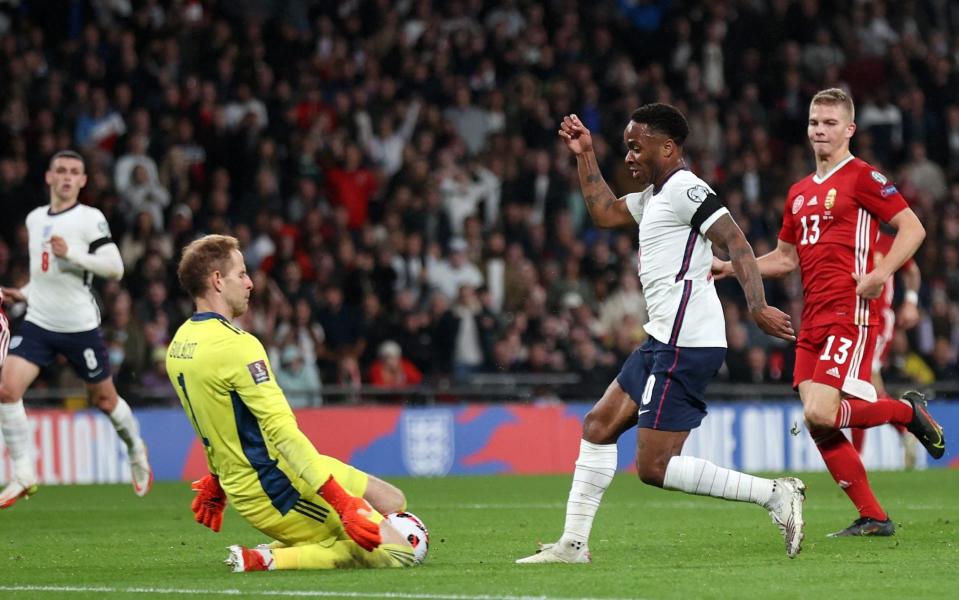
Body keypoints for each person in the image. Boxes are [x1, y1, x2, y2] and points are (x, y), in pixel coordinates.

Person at [517, 105, 804, 564]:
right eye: (626, 146)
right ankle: (572, 545)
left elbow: (736, 242)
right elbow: (605, 213)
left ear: (667, 147)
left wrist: (757, 306)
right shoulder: (655, 196)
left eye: (637, 146)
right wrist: (584, 154)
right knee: (597, 426)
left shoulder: (687, 189)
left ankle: (775, 493)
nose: (629, 156)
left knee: (653, 468)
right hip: (661, 339)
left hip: (687, 341)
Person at [714, 88, 945, 537]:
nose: (820, 129)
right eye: (815, 122)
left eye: (830, 123)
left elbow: (913, 228)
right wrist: (733, 266)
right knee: (818, 421)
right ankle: (874, 517)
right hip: (812, 318)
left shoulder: (863, 177)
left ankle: (905, 413)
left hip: (849, 313)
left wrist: (881, 274)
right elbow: (785, 258)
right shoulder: (798, 193)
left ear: (849, 130)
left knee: (821, 413)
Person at [167, 234, 418, 571]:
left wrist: (216, 478)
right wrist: (341, 502)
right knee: (400, 553)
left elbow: (212, 423)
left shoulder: (179, 344)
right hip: (277, 487)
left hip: (272, 473)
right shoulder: (238, 346)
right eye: (241, 274)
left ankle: (310, 541)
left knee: (393, 501)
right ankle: (268, 558)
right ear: (216, 280)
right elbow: (284, 433)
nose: (250, 283)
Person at [0, 150, 152, 509]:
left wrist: (74, 255)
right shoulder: (35, 219)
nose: (67, 177)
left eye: (74, 172)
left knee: (104, 399)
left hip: (79, 325)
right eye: (61, 171)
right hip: (38, 319)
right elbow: (43, 275)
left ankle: (136, 448)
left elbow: (114, 267)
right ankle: (24, 472)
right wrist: (23, 294)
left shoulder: (89, 219)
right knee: (6, 389)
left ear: (83, 181)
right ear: (49, 177)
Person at [849, 227, 921, 465]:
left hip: (878, 322)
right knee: (862, 389)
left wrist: (910, 302)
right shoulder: (848, 239)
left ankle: (856, 457)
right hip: (851, 322)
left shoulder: (889, 243)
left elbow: (912, 272)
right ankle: (907, 427)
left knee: (859, 385)